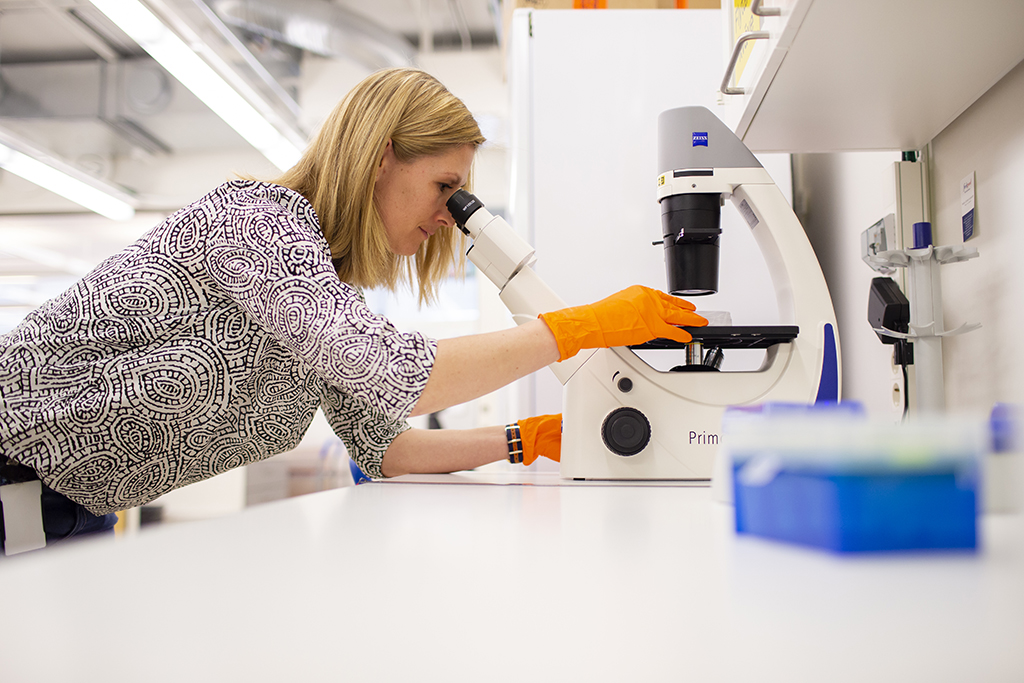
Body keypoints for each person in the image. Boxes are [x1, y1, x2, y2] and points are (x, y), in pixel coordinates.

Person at [0, 67, 705, 552]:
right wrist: (583, 325)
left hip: (71, 506)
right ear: (381, 158)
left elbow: (389, 450)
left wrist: (531, 438)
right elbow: (402, 376)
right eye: (445, 186)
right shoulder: (257, 223)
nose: (450, 214)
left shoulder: (317, 288)